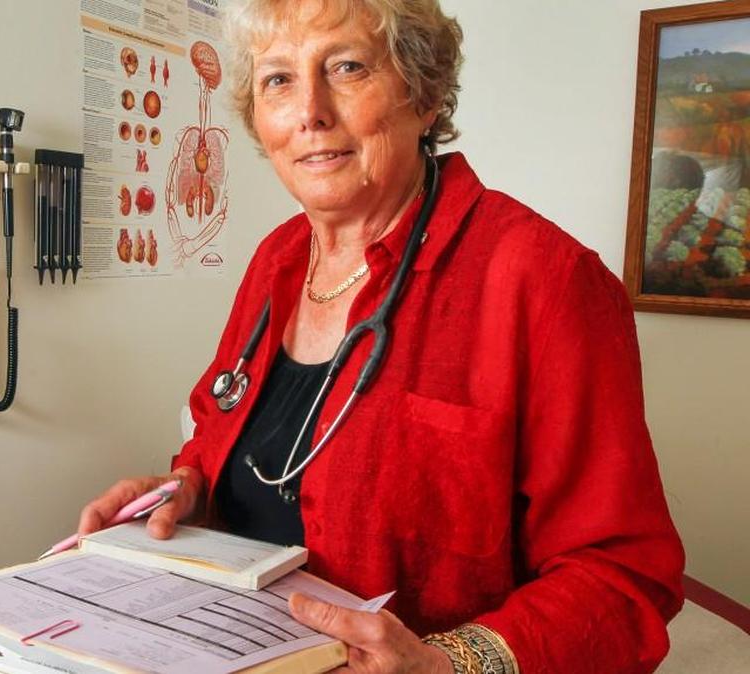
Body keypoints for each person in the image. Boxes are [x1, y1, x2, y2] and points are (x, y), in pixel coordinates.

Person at [77, 1, 685, 672]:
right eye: (279, 80)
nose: (310, 110)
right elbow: (225, 435)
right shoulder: (276, 262)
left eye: (346, 67)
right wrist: (187, 488)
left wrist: (450, 664)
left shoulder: (544, 281)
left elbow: (623, 577)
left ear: (423, 97)